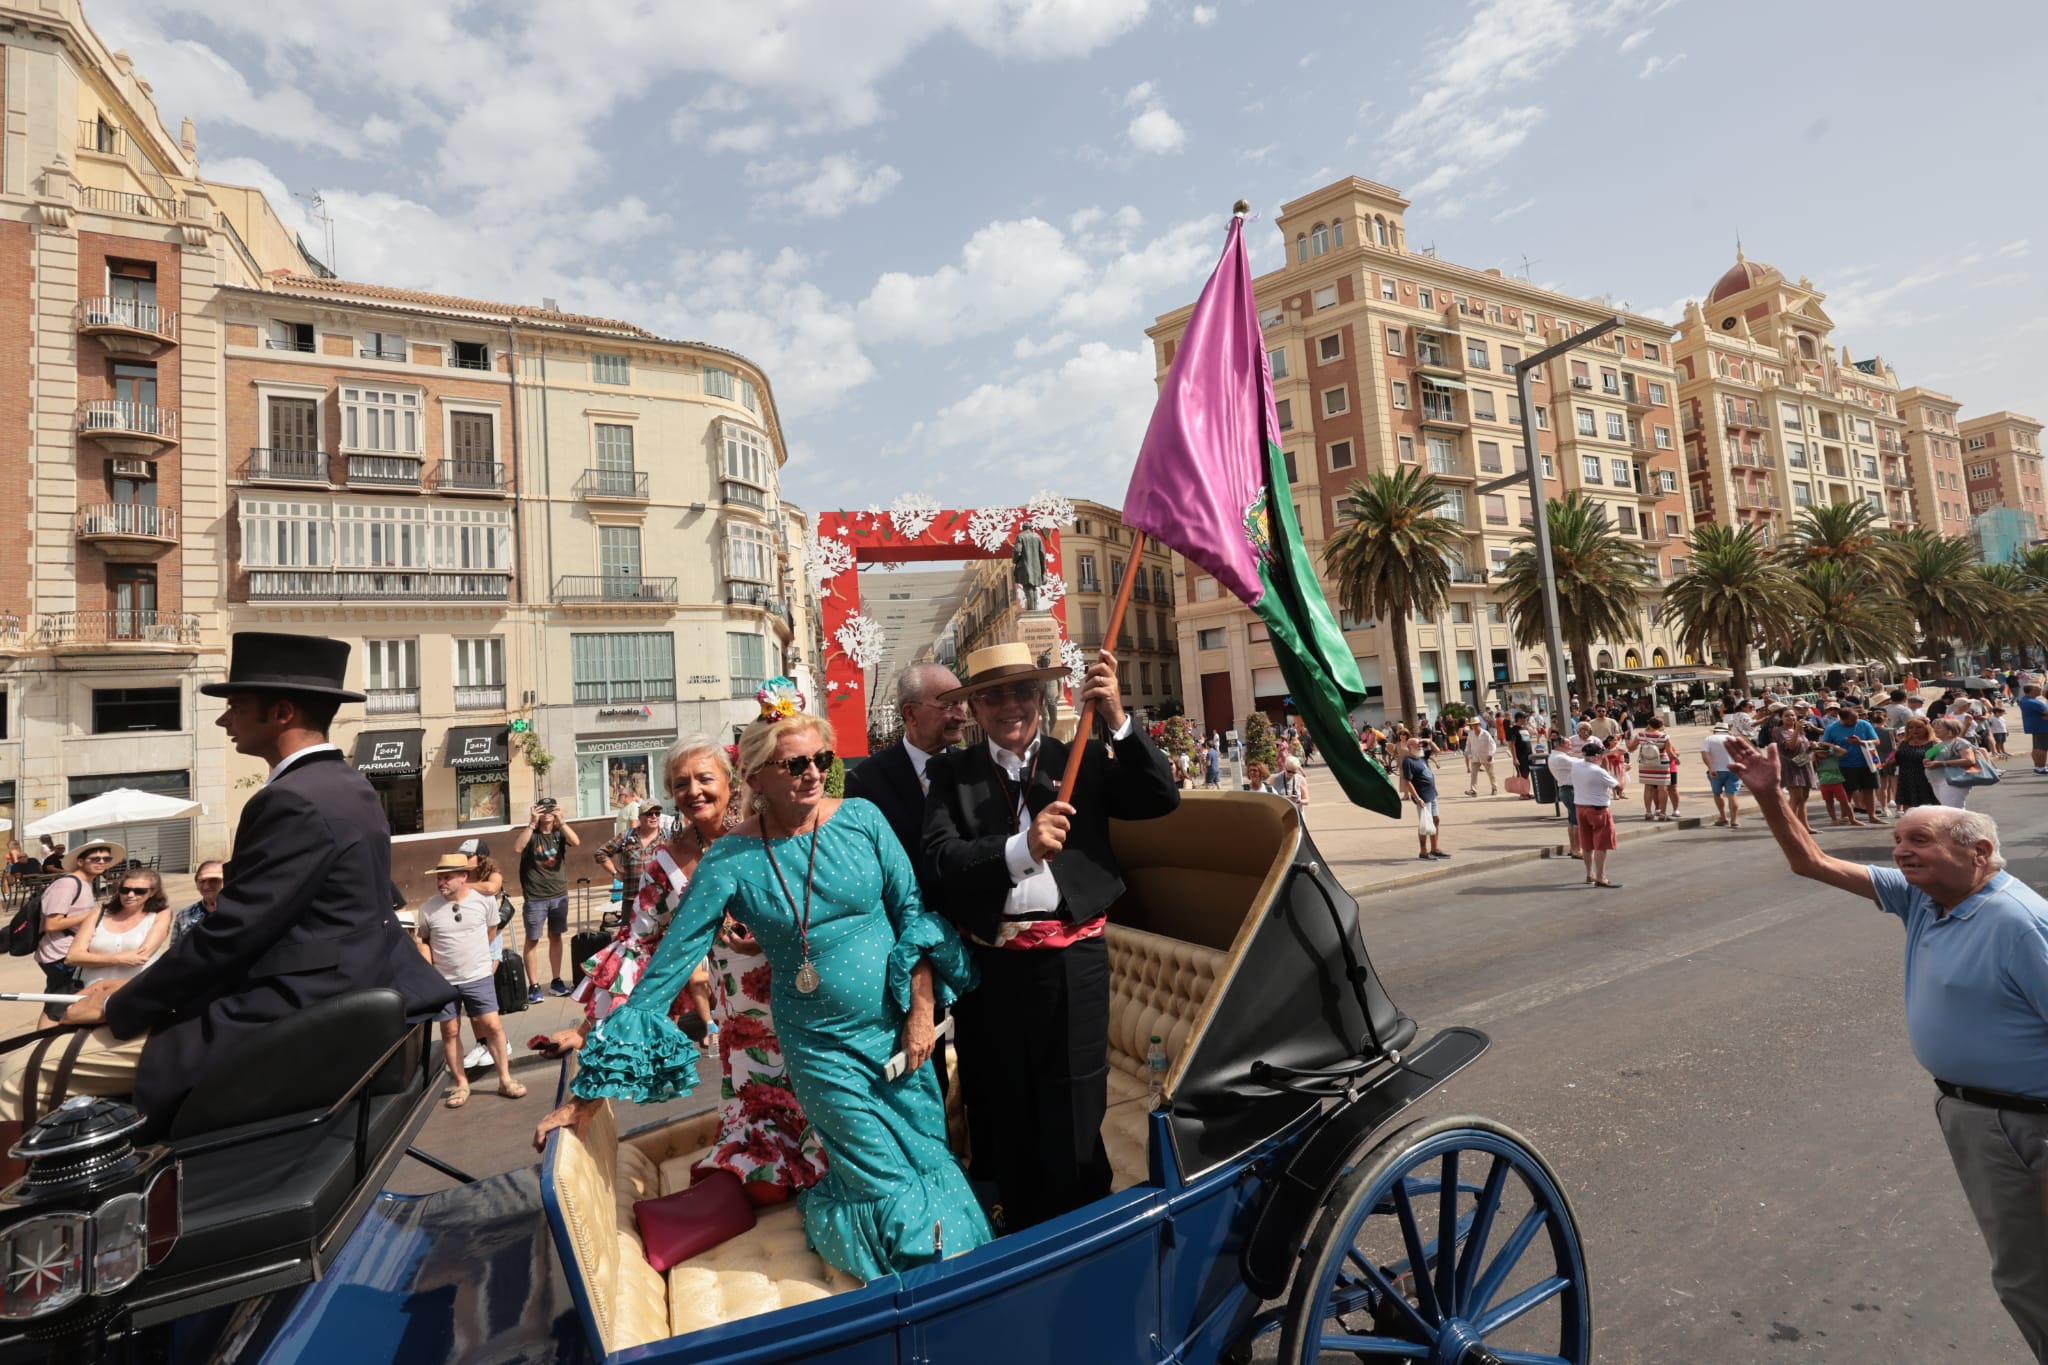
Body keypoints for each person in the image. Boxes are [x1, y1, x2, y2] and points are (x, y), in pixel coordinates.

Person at [540, 691, 989, 1279]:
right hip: (819, 1051)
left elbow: (912, 915)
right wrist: (585, 1098)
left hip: (899, 1031)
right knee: (883, 1171)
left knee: (929, 1153)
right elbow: (665, 969)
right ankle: (923, 1282)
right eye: (796, 764)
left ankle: (968, 1274)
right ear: (755, 775)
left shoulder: (863, 819)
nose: (814, 774)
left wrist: (921, 1013)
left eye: (822, 761)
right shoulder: (731, 859)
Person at [0, 632, 453, 1135]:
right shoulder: (347, 784)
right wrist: (137, 988)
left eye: (236, 706)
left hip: (289, 1008)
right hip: (327, 990)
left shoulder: (294, 799)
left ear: (281, 712)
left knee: (19, 1075)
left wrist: (118, 1003)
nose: (223, 720)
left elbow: (233, 934)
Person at [1724, 739, 2048, 1362]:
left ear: (1978, 852)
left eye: (1919, 841)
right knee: (2025, 1279)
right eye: (1900, 841)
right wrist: (1767, 793)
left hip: (2030, 1124)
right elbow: (1813, 861)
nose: (1901, 852)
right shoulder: (1925, 899)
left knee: (2034, 1277)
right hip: (1977, 1120)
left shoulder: (2017, 921)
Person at [924, 641, 1178, 1230]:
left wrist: (1116, 718)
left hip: (1074, 962)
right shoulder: (952, 774)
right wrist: (1020, 849)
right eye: (992, 696)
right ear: (976, 709)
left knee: (1073, 1104)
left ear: (1040, 698)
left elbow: (1160, 797)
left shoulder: (1080, 758)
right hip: (990, 971)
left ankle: (1085, 1230)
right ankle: (1016, 1231)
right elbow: (938, 859)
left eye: (1020, 691)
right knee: (999, 1104)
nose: (1008, 706)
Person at [845, 660, 967, 1099]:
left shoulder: (976, 769)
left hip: (976, 950)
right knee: (923, 1077)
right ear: (910, 713)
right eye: (947, 704)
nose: (960, 714)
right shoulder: (865, 782)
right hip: (906, 958)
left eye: (962, 703)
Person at [415, 853, 524, 1107]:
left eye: (447, 877)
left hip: (478, 976)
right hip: (444, 982)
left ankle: (505, 1079)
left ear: (463, 877)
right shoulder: (428, 909)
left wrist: (478, 956)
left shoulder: (484, 902)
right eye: (439, 878)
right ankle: (461, 1085)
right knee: (450, 1031)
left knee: (492, 1026)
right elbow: (426, 941)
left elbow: (491, 930)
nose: (441, 882)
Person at [31, 841, 113, 1024]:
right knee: (57, 1006)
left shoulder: (84, 883)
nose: (101, 862)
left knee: (62, 1002)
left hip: (69, 950)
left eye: (106, 858)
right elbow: (51, 924)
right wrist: (92, 915)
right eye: (95, 859)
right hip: (60, 954)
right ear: (81, 862)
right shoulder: (68, 884)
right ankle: (43, 1045)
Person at [514, 799, 580, 1001]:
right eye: (543, 809)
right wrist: (532, 822)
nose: (547, 813)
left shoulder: (559, 833)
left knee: (556, 936)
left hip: (558, 893)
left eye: (551, 809)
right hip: (535, 896)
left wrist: (563, 820)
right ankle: (534, 986)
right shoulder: (532, 835)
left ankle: (556, 980)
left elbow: (576, 842)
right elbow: (518, 847)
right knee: (532, 939)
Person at [67, 867, 172, 988]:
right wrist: (118, 959)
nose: (130, 895)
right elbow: (72, 957)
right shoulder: (98, 913)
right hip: (91, 990)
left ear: (152, 892)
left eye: (139, 891)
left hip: (135, 992)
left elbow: (140, 958)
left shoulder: (160, 914)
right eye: (125, 890)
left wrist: (90, 959)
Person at [1569, 739, 1622, 888]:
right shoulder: (1598, 771)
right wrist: (1623, 771)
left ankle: (1589, 874)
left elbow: (1591, 757)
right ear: (1596, 756)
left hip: (1580, 807)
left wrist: (1611, 752)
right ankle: (1601, 877)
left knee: (1587, 845)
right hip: (1598, 809)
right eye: (1600, 755)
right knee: (1601, 845)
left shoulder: (1577, 765)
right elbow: (1619, 787)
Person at [1823, 704, 1884, 826]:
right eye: (1852, 720)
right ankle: (1845, 816)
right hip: (1845, 764)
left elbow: (1877, 741)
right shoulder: (1831, 728)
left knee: (1869, 789)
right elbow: (1825, 745)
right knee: (1847, 792)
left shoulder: (1864, 724)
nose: (1856, 722)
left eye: (1857, 718)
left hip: (1867, 762)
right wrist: (1836, 749)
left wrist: (1861, 742)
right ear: (1843, 719)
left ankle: (1872, 815)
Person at [1398, 735, 1445, 861]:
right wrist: (1417, 798)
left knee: (1436, 820)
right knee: (1424, 824)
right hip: (1422, 796)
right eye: (1416, 744)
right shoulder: (1408, 761)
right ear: (1409, 747)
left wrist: (1428, 741)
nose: (1419, 746)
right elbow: (1408, 782)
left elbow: (1437, 751)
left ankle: (1435, 848)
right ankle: (1423, 851)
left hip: (1432, 794)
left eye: (1420, 744)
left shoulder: (1422, 756)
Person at [1926, 717, 1984, 810]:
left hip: (1953, 780)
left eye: (1939, 727)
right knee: (1948, 810)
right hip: (1936, 780)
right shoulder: (1939, 744)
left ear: (1950, 730)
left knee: (1953, 810)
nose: (1935, 730)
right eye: (1934, 727)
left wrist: (1941, 763)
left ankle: (1963, 825)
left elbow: (1969, 760)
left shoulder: (1960, 742)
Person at [169, 860, 226, 944]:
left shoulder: (242, 913)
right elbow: (174, 951)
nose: (206, 886)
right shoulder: (184, 915)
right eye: (202, 881)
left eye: (214, 880)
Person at [1630, 716, 1675, 822]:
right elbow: (1670, 752)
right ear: (1660, 726)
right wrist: (1676, 758)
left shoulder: (1641, 735)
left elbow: (1631, 748)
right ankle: (1662, 813)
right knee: (1662, 788)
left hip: (1645, 763)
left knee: (1648, 787)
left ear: (1649, 724)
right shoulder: (1665, 736)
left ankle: (1648, 812)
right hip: (1661, 764)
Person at [1700, 722, 1742, 828]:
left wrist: (1711, 768)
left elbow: (1705, 754)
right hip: (1733, 769)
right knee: (1732, 795)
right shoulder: (1735, 739)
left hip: (1716, 770)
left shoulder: (1709, 739)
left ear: (1715, 731)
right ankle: (1734, 820)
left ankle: (1723, 817)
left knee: (1717, 794)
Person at [1462, 717, 1499, 796]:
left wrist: (1491, 754)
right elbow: (1468, 745)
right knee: (1473, 774)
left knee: (1491, 774)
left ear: (1479, 724)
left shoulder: (1485, 734)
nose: (1474, 727)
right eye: (1472, 725)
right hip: (1475, 757)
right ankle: (1473, 790)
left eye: (1476, 725)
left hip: (1486, 756)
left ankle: (1494, 788)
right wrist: (1466, 753)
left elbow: (1492, 744)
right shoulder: (1471, 734)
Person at [2020, 683, 2048, 774]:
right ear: (2032, 691)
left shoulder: (2027, 700)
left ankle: (2037, 767)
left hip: (2037, 726)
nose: (2041, 689)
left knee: (2037, 747)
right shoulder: (2032, 702)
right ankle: (2041, 768)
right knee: (2042, 748)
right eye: (2038, 688)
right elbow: (2046, 712)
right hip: (2041, 727)